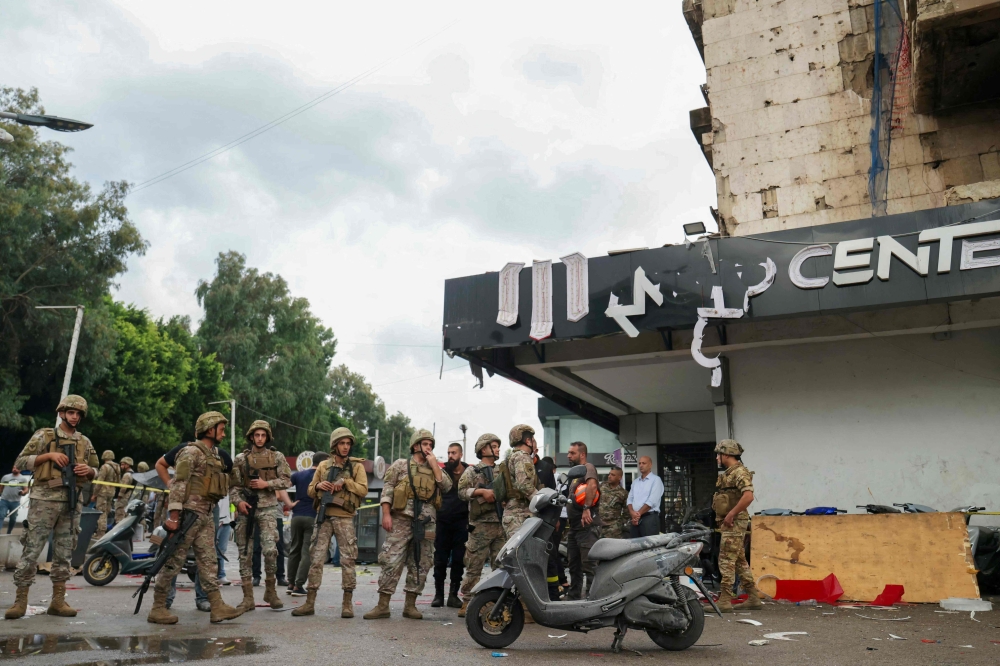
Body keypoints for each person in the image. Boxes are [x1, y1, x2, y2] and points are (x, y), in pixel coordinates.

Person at [5, 395, 98, 620]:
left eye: (78, 414)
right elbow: (19, 462)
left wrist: (90, 471)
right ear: (62, 413)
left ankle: (58, 600)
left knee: (65, 552)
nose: (74, 417)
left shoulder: (84, 442)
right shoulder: (43, 435)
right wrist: (48, 455)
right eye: (71, 412)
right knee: (32, 550)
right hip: (44, 501)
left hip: (71, 503)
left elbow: (97, 470)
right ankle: (20, 600)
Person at [146, 411, 244, 625]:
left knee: (209, 563)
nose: (224, 434)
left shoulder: (215, 455)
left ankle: (217, 606)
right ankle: (158, 607)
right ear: (210, 430)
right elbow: (179, 483)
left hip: (206, 515)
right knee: (173, 561)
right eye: (221, 429)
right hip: (187, 515)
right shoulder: (190, 452)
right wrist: (173, 516)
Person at [364, 428, 450, 620]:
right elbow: (387, 490)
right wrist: (386, 514)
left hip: (426, 522)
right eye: (425, 444)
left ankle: (410, 605)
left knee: (422, 562)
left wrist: (435, 464)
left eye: (431, 445)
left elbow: (446, 486)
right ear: (415, 445)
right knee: (391, 560)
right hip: (401, 519)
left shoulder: (435, 468)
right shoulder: (400, 465)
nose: (428, 448)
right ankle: (383, 605)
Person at [295, 429, 367, 617]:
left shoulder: (356, 467)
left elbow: (363, 489)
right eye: (342, 443)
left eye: (348, 443)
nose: (345, 447)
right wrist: (319, 485)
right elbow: (310, 490)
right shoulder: (323, 466)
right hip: (324, 517)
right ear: (334, 445)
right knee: (316, 559)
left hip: (344, 518)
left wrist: (345, 482)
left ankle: (347, 604)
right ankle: (309, 602)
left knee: (348, 560)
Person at [156, 439, 234, 612]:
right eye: (219, 428)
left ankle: (207, 600)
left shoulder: (220, 455)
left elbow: (232, 478)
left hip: (208, 510)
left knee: (207, 557)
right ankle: (163, 602)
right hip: (187, 510)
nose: (222, 433)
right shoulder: (186, 450)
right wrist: (169, 483)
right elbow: (161, 465)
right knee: (174, 554)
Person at [230, 419, 292, 612]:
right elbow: (233, 486)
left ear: (267, 436)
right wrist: (238, 502)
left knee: (271, 551)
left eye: (263, 435)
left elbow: (287, 480)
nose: (259, 438)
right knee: (245, 553)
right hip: (246, 509)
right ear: (251, 436)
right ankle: (248, 597)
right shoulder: (241, 459)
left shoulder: (277, 457)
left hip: (267, 508)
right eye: (256, 435)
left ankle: (270, 591)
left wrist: (267, 485)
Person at [456, 433, 506, 617]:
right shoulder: (472, 471)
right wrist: (481, 492)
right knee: (473, 565)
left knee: (500, 566)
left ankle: (496, 601)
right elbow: (461, 492)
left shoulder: (503, 471)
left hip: (500, 526)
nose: (498, 449)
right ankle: (467, 601)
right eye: (494, 445)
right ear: (484, 449)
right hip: (480, 526)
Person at [713, 439, 762, 612]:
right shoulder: (729, 473)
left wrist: (731, 514)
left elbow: (748, 496)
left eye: (719, 454)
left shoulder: (739, 472)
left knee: (726, 560)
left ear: (726, 454)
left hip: (734, 521)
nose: (717, 458)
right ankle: (754, 598)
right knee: (740, 561)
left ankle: (724, 601)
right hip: (730, 522)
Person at [500, 424, 540, 623]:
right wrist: (540, 499)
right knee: (521, 562)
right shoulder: (522, 457)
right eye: (532, 439)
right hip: (519, 515)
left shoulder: (512, 457)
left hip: (515, 514)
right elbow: (525, 485)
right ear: (527, 440)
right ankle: (522, 610)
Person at [286, 451, 328, 596]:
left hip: (296, 516)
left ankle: (290, 583)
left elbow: (282, 486)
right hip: (312, 516)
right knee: (306, 552)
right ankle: (299, 586)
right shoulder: (322, 478)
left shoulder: (298, 474)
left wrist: (289, 503)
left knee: (294, 549)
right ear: (323, 463)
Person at [432, 442, 468, 609]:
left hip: (462, 521)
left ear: (460, 454)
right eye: (448, 453)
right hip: (443, 520)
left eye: (454, 453)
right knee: (440, 559)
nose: (450, 456)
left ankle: (453, 595)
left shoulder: (469, 471)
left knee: (459, 560)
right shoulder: (442, 471)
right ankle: (438, 595)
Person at [565, 441, 600, 600]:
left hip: (586, 527)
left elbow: (592, 486)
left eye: (572, 453)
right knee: (574, 565)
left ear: (582, 454)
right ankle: (573, 598)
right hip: (574, 528)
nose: (568, 455)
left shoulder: (588, 468)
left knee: (589, 565)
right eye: (569, 453)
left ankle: (593, 600)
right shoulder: (576, 474)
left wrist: (587, 508)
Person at [534, 456, 561, 600]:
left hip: (544, 520)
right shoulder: (515, 464)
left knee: (550, 556)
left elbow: (553, 495)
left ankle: (554, 596)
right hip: (525, 522)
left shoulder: (545, 468)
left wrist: (554, 519)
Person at [627, 456, 663, 538]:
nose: (641, 465)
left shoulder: (656, 480)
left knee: (649, 547)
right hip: (635, 519)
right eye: (639, 463)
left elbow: (652, 501)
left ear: (650, 465)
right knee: (635, 546)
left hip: (649, 518)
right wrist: (632, 512)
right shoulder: (635, 482)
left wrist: (637, 514)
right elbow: (630, 499)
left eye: (644, 463)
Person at [92, 450, 120, 538]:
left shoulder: (105, 467)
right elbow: (118, 481)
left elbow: (99, 481)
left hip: (103, 491)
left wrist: (94, 494)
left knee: (101, 512)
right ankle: (104, 530)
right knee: (107, 511)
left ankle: (100, 533)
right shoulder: (117, 466)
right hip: (112, 491)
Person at [598, 466, 628, 539]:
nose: (609, 476)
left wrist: (619, 523)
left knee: (613, 549)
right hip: (598, 526)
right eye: (609, 474)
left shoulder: (623, 493)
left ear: (619, 478)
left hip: (613, 530)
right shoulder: (601, 486)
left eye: (613, 475)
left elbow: (627, 512)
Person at [0, 466, 29, 533]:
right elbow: (1, 487)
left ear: (20, 470)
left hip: (15, 502)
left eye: (16, 468)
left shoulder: (23, 479)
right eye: (13, 468)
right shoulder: (5, 477)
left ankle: (9, 532)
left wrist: (23, 492)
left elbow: (26, 489)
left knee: (13, 519)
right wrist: (1, 495)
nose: (14, 469)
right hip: (4, 500)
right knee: (1, 515)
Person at [216, 496, 233, 585]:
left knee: (221, 551)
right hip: (216, 520)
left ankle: (221, 575)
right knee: (212, 550)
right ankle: (213, 576)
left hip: (226, 520)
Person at [114, 457, 135, 524]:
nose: (121, 466)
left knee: (119, 514)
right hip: (128, 497)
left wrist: (119, 496)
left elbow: (123, 487)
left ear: (127, 465)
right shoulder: (133, 474)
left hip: (123, 497)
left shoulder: (127, 474)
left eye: (123, 464)